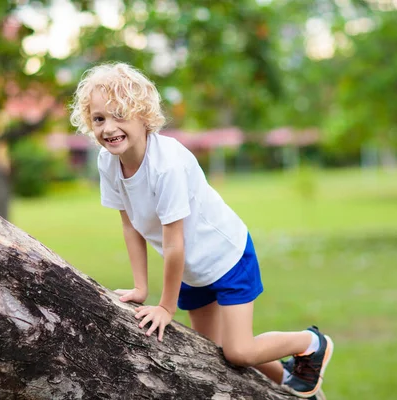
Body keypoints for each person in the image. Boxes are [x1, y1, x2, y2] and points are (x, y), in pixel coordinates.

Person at [69, 62, 333, 398]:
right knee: (215, 350)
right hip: (192, 271)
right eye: (99, 118)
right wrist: (140, 287)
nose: (109, 128)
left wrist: (166, 306)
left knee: (237, 352)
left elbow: (174, 242)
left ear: (143, 116)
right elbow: (130, 225)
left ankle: (311, 343)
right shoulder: (107, 162)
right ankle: (286, 376)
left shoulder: (167, 165)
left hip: (226, 257)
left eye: (119, 115)